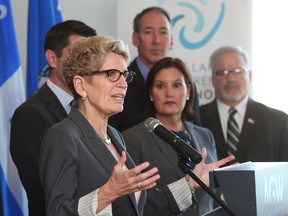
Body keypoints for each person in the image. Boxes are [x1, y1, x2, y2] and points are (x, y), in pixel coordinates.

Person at [39, 35, 160, 216]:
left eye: (125, 75)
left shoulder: (115, 135)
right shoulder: (62, 136)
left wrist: (190, 183)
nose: (123, 84)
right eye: (112, 74)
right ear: (81, 85)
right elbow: (57, 212)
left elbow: (135, 206)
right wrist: (108, 193)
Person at [122, 57, 235, 216]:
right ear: (151, 94)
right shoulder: (131, 139)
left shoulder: (205, 135)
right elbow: (136, 203)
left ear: (188, 91)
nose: (169, 93)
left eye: (176, 85)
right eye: (161, 86)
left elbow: (213, 197)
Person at [10, 20, 97, 216]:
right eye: (76, 54)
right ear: (52, 58)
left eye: (88, 56)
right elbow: (43, 189)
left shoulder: (96, 107)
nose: (84, 64)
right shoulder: (29, 115)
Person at [109, 6, 201, 132]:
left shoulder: (185, 84)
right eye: (148, 32)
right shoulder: (119, 82)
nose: (156, 41)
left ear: (172, 39)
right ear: (135, 39)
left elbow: (197, 134)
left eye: (163, 32)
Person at [200, 45, 288, 162]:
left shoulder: (278, 121)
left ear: (250, 76)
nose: (231, 79)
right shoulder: (196, 119)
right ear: (212, 79)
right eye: (222, 72)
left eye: (238, 71)